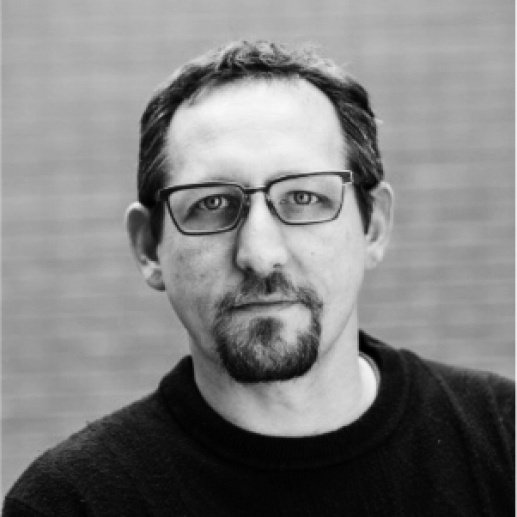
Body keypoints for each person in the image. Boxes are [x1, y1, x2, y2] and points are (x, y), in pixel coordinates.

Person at [4, 40, 514, 517]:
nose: (260, 255)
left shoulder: (504, 443)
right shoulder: (71, 504)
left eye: (304, 198)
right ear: (147, 246)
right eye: (212, 203)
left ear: (373, 226)